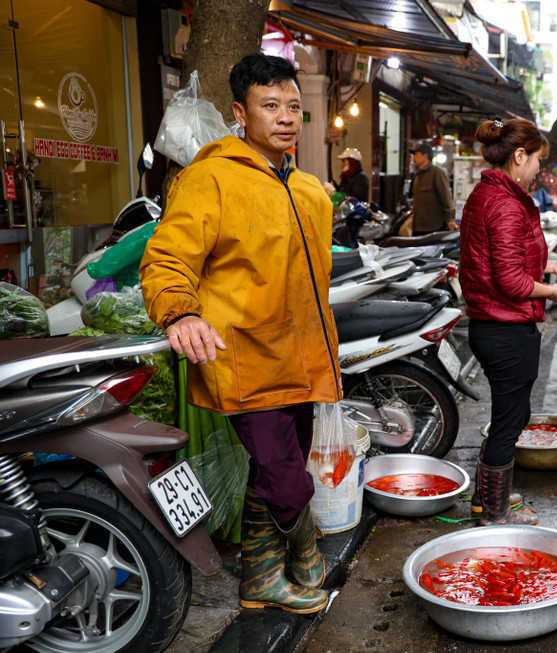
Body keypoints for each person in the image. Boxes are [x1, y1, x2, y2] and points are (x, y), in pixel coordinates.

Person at [140, 53, 340, 614]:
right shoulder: (209, 178)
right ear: (240, 112)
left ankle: (257, 580)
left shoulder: (309, 191)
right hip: (244, 355)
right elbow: (166, 261)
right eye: (270, 105)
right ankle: (305, 549)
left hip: (303, 356)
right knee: (284, 477)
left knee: (280, 468)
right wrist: (180, 313)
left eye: (294, 107)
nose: (284, 118)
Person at [459, 118, 557, 526]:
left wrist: (555, 266)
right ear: (519, 156)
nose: (539, 169)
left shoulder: (492, 195)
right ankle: (494, 515)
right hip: (504, 328)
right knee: (508, 422)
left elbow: (512, 262)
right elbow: (512, 280)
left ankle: (488, 502)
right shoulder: (504, 203)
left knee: (510, 418)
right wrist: (551, 292)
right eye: (537, 160)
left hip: (496, 324)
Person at [409, 142, 456, 234]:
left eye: (417, 155)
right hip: (418, 227)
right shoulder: (418, 175)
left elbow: (446, 198)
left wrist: (450, 219)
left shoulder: (436, 172)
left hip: (433, 228)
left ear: (425, 156)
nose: (414, 157)